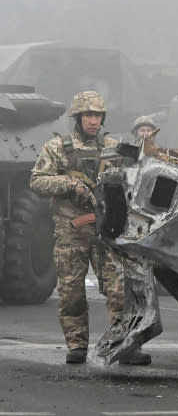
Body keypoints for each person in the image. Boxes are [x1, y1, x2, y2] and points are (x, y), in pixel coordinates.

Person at [29, 91, 151, 365]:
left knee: (119, 291)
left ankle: (125, 345)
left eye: (97, 115)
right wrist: (70, 184)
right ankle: (77, 345)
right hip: (72, 231)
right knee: (72, 292)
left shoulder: (112, 148)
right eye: (88, 115)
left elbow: (137, 177)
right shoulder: (58, 148)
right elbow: (37, 182)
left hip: (106, 230)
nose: (93, 121)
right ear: (78, 118)